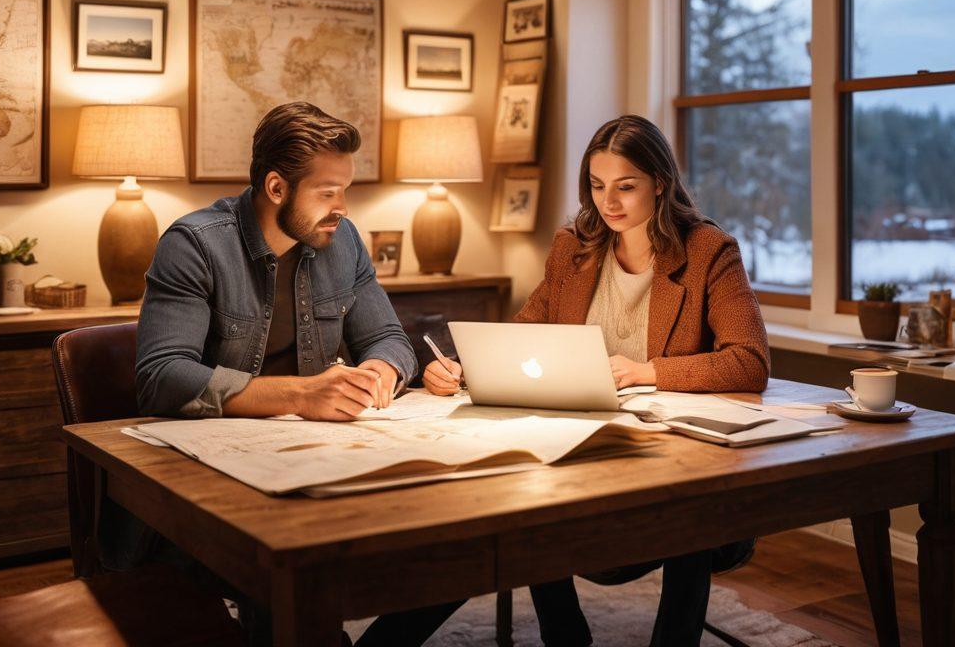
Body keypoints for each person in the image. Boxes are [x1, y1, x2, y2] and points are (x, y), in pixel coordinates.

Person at [423, 114, 770, 647]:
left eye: (626, 186)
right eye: (597, 184)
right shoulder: (575, 246)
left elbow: (749, 360)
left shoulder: (707, 251)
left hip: (669, 458)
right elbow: (526, 333)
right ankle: (567, 637)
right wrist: (463, 367)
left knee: (689, 514)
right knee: (526, 490)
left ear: (661, 182)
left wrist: (648, 372)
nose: (609, 202)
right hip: (583, 445)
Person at [126, 101, 447, 647]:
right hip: (214, 481)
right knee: (294, 586)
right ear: (277, 188)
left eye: (345, 191)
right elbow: (161, 375)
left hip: (313, 460)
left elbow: (392, 340)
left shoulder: (342, 241)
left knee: (443, 547)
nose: (342, 208)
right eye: (326, 193)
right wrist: (302, 395)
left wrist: (378, 370)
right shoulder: (196, 243)